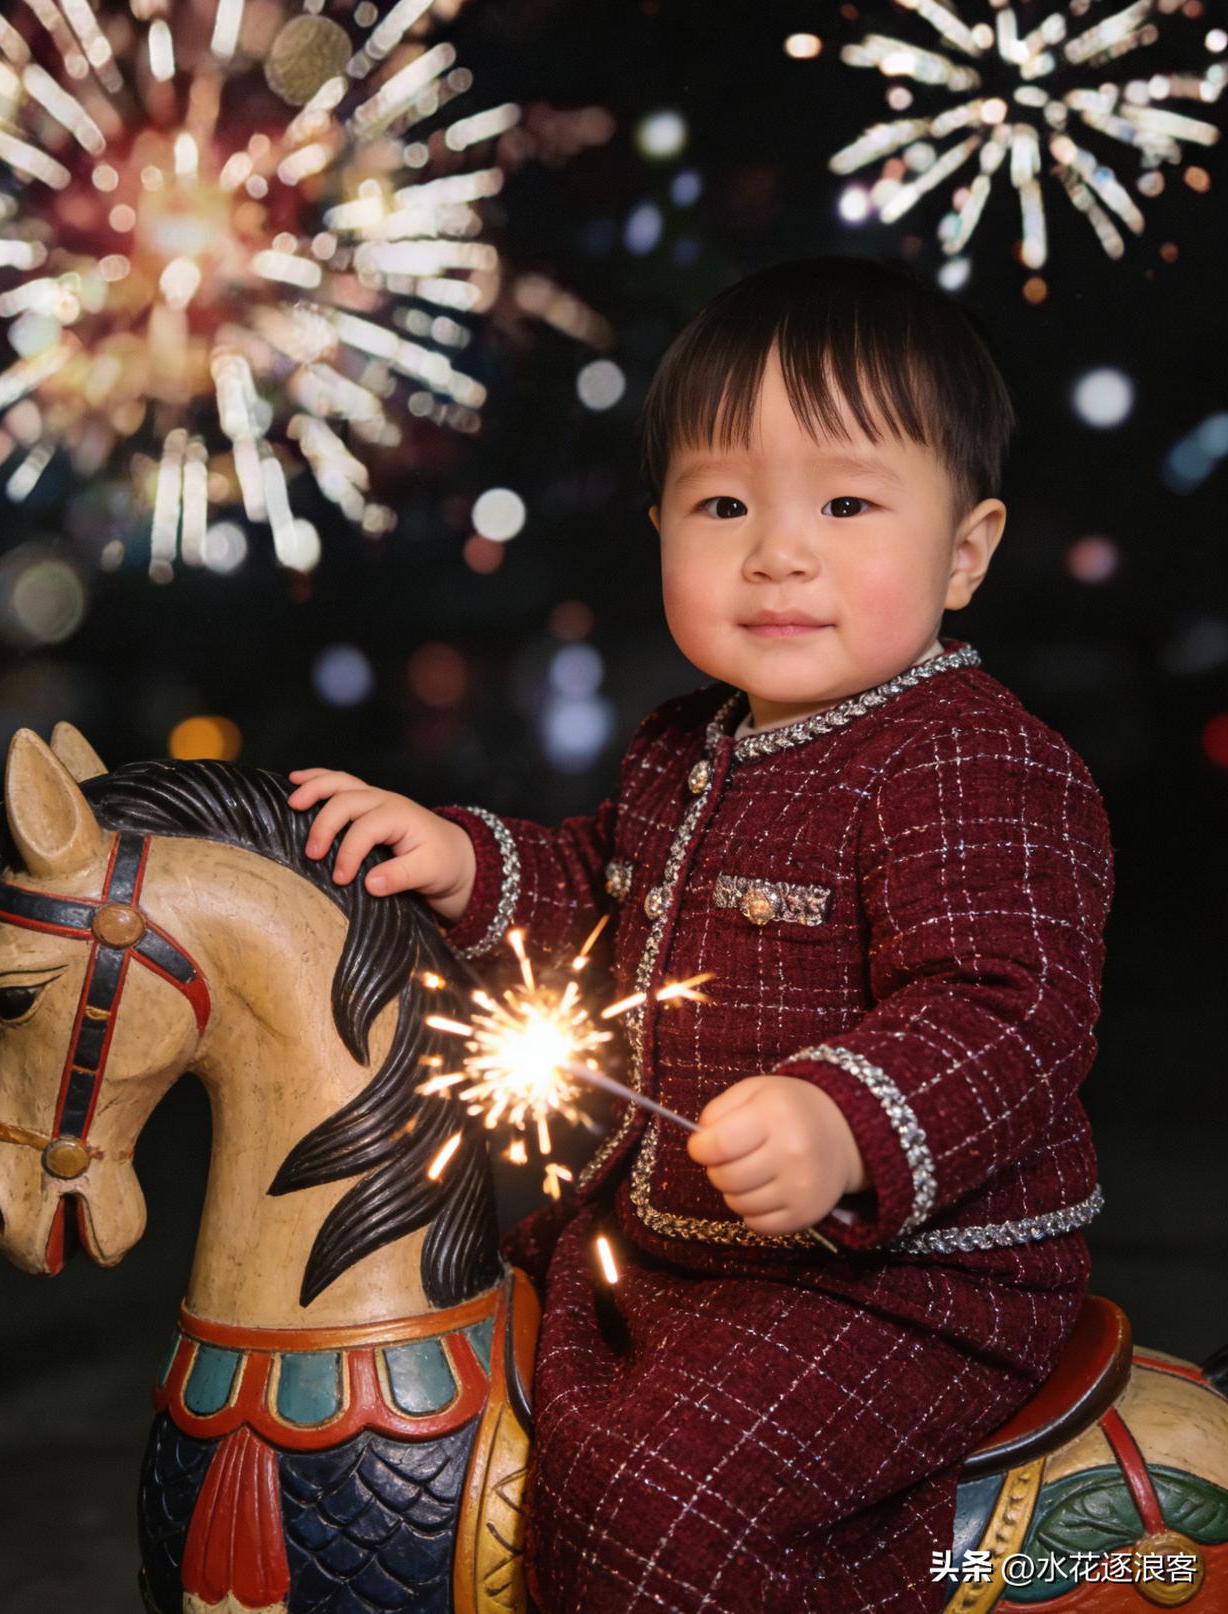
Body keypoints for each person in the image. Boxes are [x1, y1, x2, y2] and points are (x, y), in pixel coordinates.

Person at [287, 256, 1113, 1613]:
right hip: (669, 1247)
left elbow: (1006, 1008)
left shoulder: (970, 760)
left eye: (846, 502)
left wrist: (844, 1120)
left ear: (965, 550)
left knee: (668, 1504)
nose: (776, 550)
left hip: (903, 1286)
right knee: (473, 1383)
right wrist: (463, 858)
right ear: (662, 523)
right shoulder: (687, 745)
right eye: (723, 502)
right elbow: (601, 893)